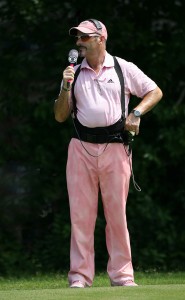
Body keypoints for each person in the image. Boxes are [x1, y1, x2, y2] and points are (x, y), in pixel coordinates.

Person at [54, 19, 163, 288]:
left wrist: (136, 113)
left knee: (117, 215)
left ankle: (123, 277)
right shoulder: (74, 72)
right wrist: (65, 86)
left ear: (100, 39)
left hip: (116, 148)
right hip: (80, 148)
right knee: (80, 216)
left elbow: (155, 91)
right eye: (77, 38)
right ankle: (79, 278)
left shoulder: (123, 67)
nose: (78, 42)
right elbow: (59, 116)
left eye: (84, 37)